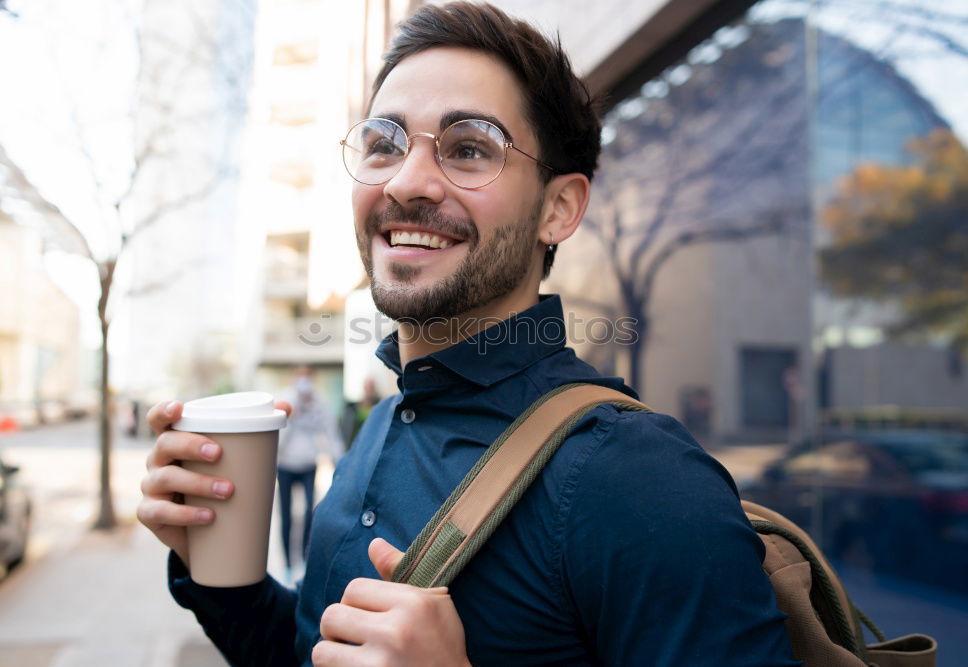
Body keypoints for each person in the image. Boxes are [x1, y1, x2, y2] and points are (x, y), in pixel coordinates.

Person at [137, 3, 799, 665]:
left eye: (469, 148)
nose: (406, 181)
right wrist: (218, 575)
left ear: (558, 208)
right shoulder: (381, 423)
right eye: (384, 144)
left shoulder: (637, 478)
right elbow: (309, 650)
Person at [277, 367, 343, 580]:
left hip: (308, 465)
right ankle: (288, 564)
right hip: (286, 465)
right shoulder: (286, 400)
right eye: (301, 378)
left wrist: (339, 463)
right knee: (286, 516)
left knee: (308, 513)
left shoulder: (319, 402)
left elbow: (330, 432)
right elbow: (277, 437)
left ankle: (304, 560)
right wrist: (292, 414)